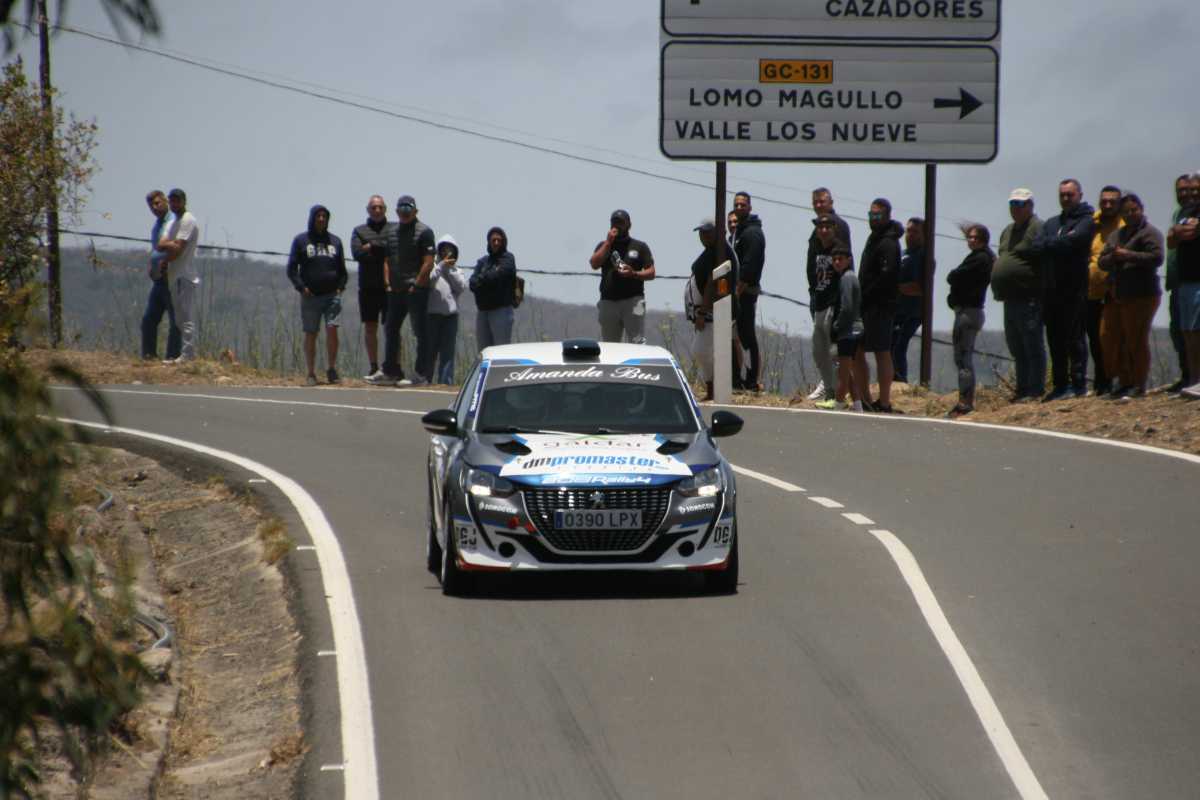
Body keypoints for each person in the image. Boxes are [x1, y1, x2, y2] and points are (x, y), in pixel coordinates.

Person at [1097, 193, 1163, 400]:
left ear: (1141, 209)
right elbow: (1102, 261)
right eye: (1126, 211)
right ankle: (1123, 382)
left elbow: (1157, 257)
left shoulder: (1150, 233)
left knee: (1136, 340)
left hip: (1142, 295)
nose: (1130, 214)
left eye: (1134, 210)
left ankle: (1138, 384)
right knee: (1111, 338)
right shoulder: (1116, 235)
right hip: (1118, 294)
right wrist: (1113, 257)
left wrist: (1128, 255)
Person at [1036, 178, 1095, 400]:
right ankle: (1060, 385)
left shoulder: (1086, 220)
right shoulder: (1052, 223)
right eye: (1062, 194)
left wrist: (1053, 243)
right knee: (1055, 339)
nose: (1066, 198)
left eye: (1070, 194)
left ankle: (1078, 384)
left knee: (1074, 338)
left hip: (1074, 289)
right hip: (1051, 290)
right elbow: (1036, 245)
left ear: (1080, 195)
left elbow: (1076, 241)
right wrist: (1059, 242)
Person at [992, 188, 1047, 402]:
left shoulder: (1037, 227)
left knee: (1032, 344)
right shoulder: (1008, 231)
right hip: (1009, 298)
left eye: (1020, 204)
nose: (1016, 208)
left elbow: (1042, 257)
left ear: (1030, 206)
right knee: (1016, 345)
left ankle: (1035, 390)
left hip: (1029, 297)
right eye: (1013, 204)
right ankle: (1022, 389)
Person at [377, 194, 435, 385]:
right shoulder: (391, 233)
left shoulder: (425, 232)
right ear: (396, 211)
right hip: (395, 291)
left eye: (408, 209)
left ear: (415, 211)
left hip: (415, 291)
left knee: (420, 332)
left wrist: (417, 284)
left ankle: (421, 375)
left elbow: (428, 263)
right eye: (401, 209)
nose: (405, 213)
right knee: (391, 329)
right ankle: (391, 371)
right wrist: (387, 284)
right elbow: (386, 260)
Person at [286, 204, 347, 386]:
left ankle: (331, 369)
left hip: (332, 295)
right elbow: (292, 269)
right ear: (312, 218)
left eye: (324, 216)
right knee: (311, 333)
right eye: (318, 216)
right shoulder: (301, 241)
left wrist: (340, 288)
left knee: (332, 329)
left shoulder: (335, 241)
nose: (321, 219)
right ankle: (311, 373)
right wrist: (301, 287)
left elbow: (342, 271)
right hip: (310, 296)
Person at [858, 197, 903, 412]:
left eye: (877, 215)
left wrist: (868, 293)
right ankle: (866, 398)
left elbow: (888, 276)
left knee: (882, 351)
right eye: (871, 214)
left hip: (881, 305)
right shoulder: (874, 238)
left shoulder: (889, 242)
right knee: (858, 350)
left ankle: (884, 402)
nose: (873, 219)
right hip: (867, 305)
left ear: (887, 216)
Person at [946, 224, 995, 417]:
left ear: (983, 239)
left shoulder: (980, 258)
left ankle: (965, 403)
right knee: (963, 358)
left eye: (976, 238)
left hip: (968, 313)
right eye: (970, 237)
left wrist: (953, 275)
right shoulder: (981, 257)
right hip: (969, 312)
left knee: (963, 358)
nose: (972, 240)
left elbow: (955, 276)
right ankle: (965, 401)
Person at [589, 209, 655, 343]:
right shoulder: (604, 246)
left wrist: (634, 273)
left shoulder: (639, 246)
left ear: (629, 225)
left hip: (633, 301)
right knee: (610, 345)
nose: (617, 225)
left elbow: (651, 272)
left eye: (620, 222)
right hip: (608, 302)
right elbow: (594, 264)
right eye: (614, 222)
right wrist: (608, 243)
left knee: (636, 342)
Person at [351, 195, 394, 382]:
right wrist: (379, 251)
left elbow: (393, 250)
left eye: (380, 207)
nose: (377, 211)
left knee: (391, 328)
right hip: (367, 287)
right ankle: (373, 366)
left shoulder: (394, 229)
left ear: (385, 209)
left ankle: (391, 366)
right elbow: (357, 254)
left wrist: (372, 246)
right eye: (374, 208)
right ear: (368, 210)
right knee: (370, 327)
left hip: (390, 287)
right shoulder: (359, 230)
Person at [1086, 186, 1124, 395]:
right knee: (1096, 339)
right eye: (1104, 201)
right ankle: (1102, 382)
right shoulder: (1094, 223)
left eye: (1112, 201)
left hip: (1117, 292)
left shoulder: (1124, 224)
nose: (1107, 205)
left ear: (1120, 203)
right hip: (1093, 291)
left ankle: (1122, 380)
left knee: (1117, 338)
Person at [155, 188, 200, 363]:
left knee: (186, 317)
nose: (174, 204)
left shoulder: (188, 220)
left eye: (177, 200)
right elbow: (160, 244)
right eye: (172, 201)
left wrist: (169, 250)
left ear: (184, 201)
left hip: (185, 275)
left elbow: (178, 249)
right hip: (173, 275)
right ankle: (185, 354)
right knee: (179, 318)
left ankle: (188, 355)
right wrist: (169, 245)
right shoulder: (172, 222)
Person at [1166, 174, 1200, 398]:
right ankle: (1192, 379)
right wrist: (1177, 232)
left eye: (1195, 189)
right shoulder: (1183, 213)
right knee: (1186, 332)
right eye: (1184, 190)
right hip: (1183, 280)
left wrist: (1179, 232)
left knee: (1196, 331)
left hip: (1197, 279)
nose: (1190, 194)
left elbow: (1188, 233)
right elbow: (1171, 239)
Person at [140, 189, 181, 361]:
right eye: (151, 205)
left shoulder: (174, 222)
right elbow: (156, 250)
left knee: (176, 320)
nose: (154, 208)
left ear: (166, 202)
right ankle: (149, 356)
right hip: (159, 280)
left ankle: (173, 357)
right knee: (149, 319)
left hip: (172, 276)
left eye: (157, 203)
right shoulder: (157, 226)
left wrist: (167, 261)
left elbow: (179, 246)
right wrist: (152, 265)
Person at [804, 214, 841, 404]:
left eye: (828, 227)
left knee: (834, 352)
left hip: (833, 305)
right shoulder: (816, 247)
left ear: (834, 228)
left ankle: (835, 393)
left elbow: (846, 278)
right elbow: (811, 274)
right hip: (819, 303)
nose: (824, 230)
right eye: (820, 227)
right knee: (818, 351)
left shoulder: (840, 250)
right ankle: (828, 388)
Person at [731, 191, 766, 392]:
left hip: (745, 292)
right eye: (736, 204)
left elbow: (749, 266)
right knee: (737, 336)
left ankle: (752, 381)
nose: (739, 207)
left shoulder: (752, 233)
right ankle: (737, 379)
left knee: (747, 337)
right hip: (737, 292)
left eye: (743, 205)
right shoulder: (740, 231)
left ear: (750, 207)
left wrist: (737, 291)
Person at [826, 242, 865, 412]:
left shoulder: (847, 278)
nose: (836, 262)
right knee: (847, 371)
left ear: (849, 260)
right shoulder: (849, 277)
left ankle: (838, 405)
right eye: (834, 259)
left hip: (848, 331)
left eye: (840, 259)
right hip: (854, 330)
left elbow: (847, 308)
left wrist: (836, 326)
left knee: (842, 373)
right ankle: (858, 405)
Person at [686, 218, 720, 401]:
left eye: (708, 232)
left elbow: (711, 285)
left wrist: (702, 312)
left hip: (708, 313)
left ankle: (714, 389)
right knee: (704, 350)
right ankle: (711, 388)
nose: (704, 236)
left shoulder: (717, 254)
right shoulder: (709, 252)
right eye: (701, 233)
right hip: (701, 312)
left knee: (700, 350)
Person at [892, 217, 927, 384]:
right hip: (896, 310)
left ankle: (900, 381)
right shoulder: (903, 254)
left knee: (899, 345)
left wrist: (896, 287)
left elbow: (920, 287)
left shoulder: (923, 256)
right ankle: (893, 380)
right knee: (890, 345)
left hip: (912, 312)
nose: (910, 235)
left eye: (915, 232)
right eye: (908, 231)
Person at [427, 235, 467, 384]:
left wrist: (449, 269)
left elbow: (460, 287)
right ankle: (426, 379)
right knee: (430, 350)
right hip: (432, 315)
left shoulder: (457, 270)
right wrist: (441, 266)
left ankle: (445, 382)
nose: (447, 253)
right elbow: (430, 281)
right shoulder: (433, 267)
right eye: (444, 249)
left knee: (448, 352)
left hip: (450, 317)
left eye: (450, 250)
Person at [470, 227, 517, 348]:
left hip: (501, 311)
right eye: (493, 240)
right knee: (484, 352)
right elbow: (472, 283)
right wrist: (488, 276)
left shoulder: (508, 259)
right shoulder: (483, 262)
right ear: (489, 242)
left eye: (499, 240)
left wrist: (482, 278)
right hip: (483, 312)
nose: (496, 243)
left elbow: (500, 275)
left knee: (501, 351)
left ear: (503, 242)